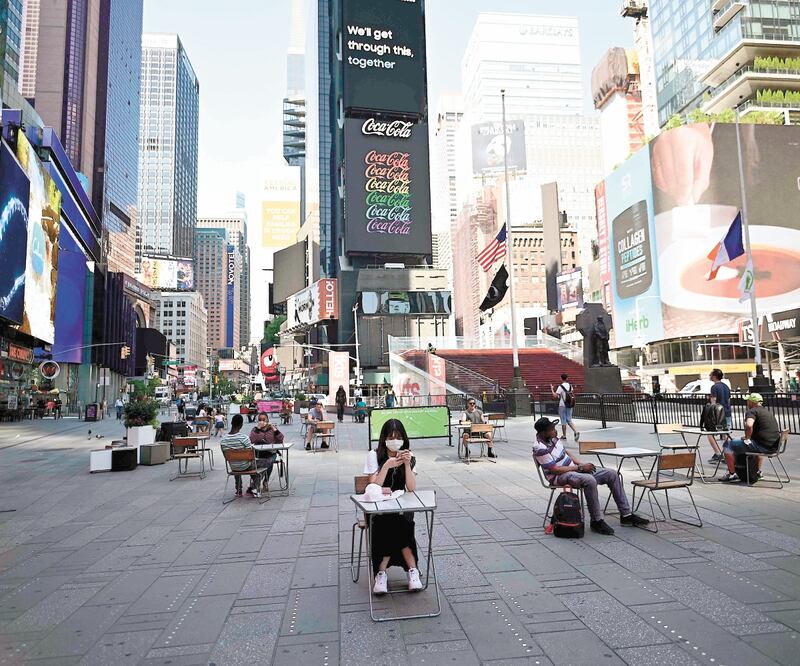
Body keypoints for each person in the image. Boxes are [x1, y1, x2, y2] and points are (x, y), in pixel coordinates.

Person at [532, 417, 649, 535]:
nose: (555, 431)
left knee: (611, 474)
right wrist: (580, 468)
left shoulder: (553, 438)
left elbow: (565, 452)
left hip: (574, 470)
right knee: (589, 480)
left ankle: (626, 515)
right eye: (552, 429)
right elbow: (555, 470)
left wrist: (579, 463)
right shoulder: (539, 448)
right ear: (543, 433)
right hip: (559, 477)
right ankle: (596, 520)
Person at [363, 418, 422, 595]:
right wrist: (387, 466)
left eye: (398, 437)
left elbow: (411, 488)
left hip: (400, 507)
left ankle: (383, 573)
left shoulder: (408, 457)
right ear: (384, 438)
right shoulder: (374, 455)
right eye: (391, 436)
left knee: (400, 520)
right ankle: (410, 569)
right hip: (378, 509)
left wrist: (406, 464)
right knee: (392, 523)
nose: (395, 440)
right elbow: (373, 485)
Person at [719, 393, 782, 483]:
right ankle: (757, 472)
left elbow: (749, 425)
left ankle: (732, 473)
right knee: (743, 443)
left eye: (748, 400)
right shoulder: (767, 411)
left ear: (752, 402)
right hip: (773, 446)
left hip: (762, 446)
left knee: (727, 444)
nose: (747, 402)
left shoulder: (752, 411)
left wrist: (747, 438)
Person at [220, 414, 265, 498]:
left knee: (238, 462)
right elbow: (251, 454)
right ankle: (254, 487)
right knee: (265, 463)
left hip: (233, 466)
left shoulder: (223, 439)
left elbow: (224, 455)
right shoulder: (244, 438)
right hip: (246, 466)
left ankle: (238, 490)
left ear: (231, 423)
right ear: (241, 425)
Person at [249, 412, 284, 485]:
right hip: (259, 454)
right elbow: (251, 440)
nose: (262, 421)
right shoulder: (255, 429)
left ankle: (265, 481)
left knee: (269, 461)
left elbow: (281, 440)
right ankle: (256, 482)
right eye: (260, 419)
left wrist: (274, 429)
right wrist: (258, 429)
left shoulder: (272, 429)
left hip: (270, 453)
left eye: (264, 419)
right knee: (252, 464)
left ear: (267, 420)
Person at [706, 369, 731, 463]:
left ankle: (717, 454)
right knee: (725, 434)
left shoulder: (714, 387)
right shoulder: (726, 386)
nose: (709, 375)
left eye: (710, 374)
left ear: (714, 376)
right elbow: (728, 400)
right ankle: (728, 454)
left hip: (718, 414)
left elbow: (713, 402)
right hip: (727, 412)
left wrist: (710, 414)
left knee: (709, 433)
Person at [551, 374, 580, 442]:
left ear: (561, 378)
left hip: (562, 405)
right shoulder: (570, 386)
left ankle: (564, 436)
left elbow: (555, 395)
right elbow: (571, 394)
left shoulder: (560, 386)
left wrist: (552, 389)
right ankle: (576, 431)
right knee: (569, 419)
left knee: (563, 420)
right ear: (567, 378)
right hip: (569, 404)